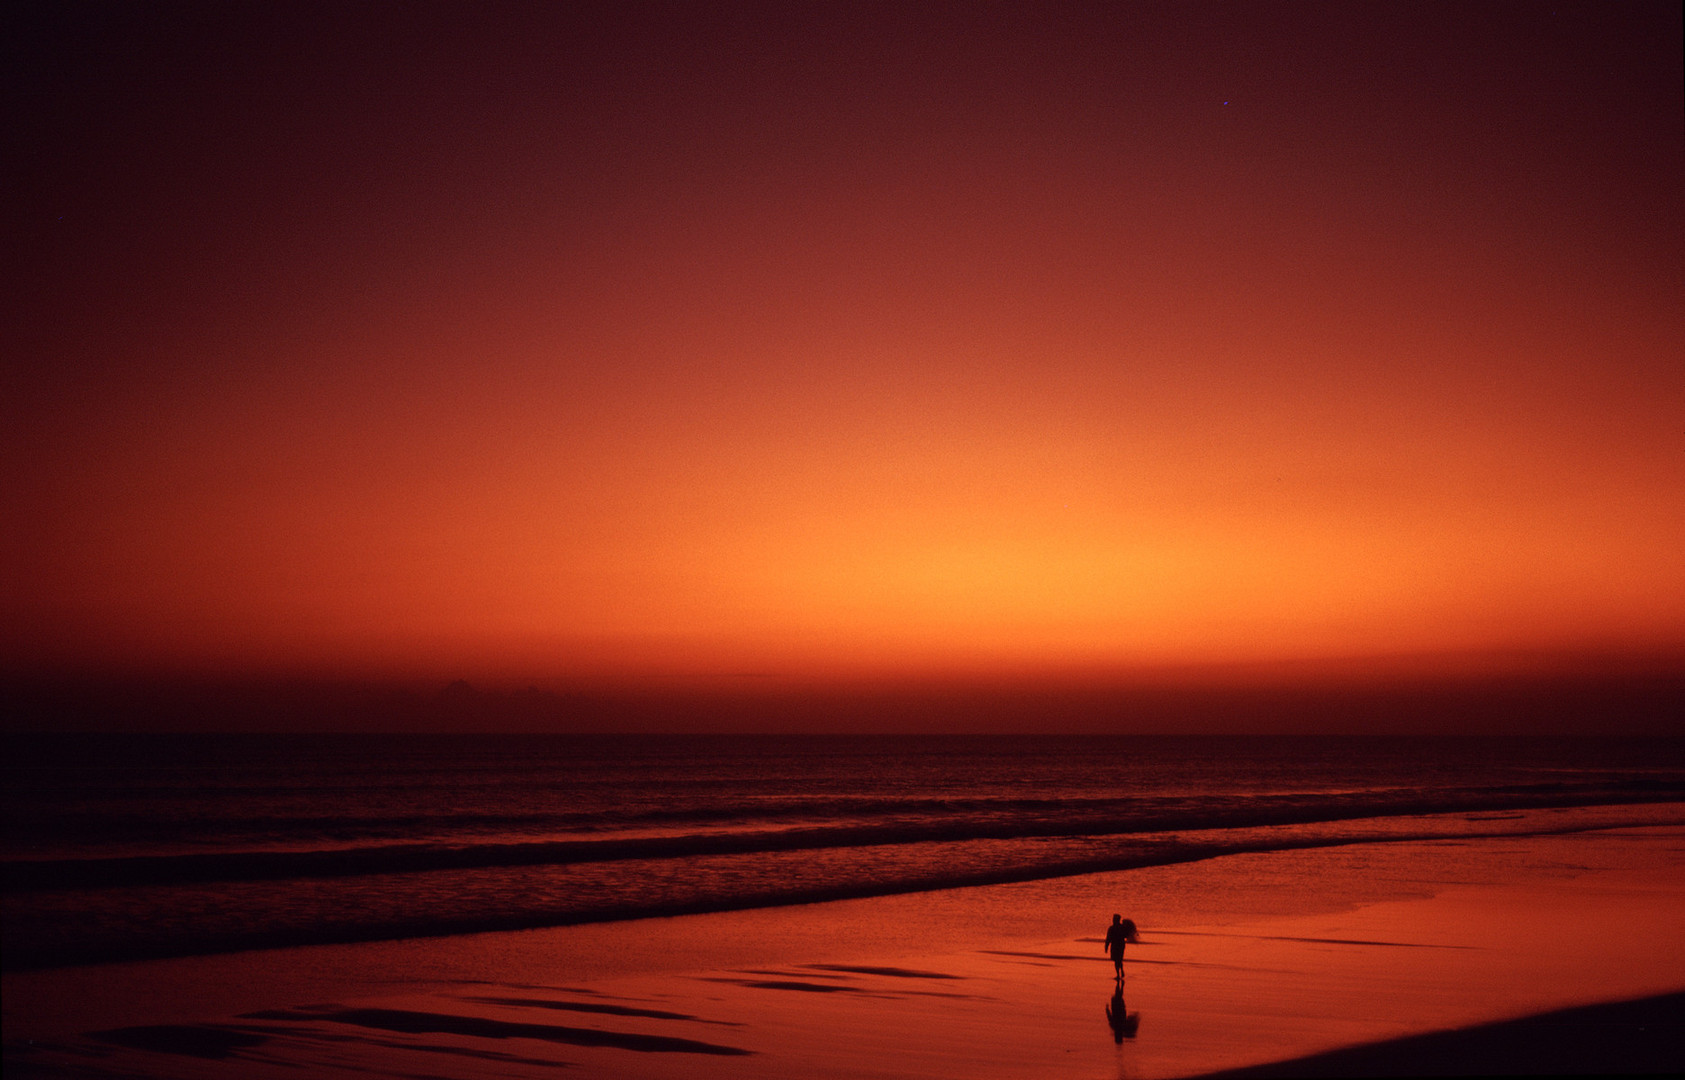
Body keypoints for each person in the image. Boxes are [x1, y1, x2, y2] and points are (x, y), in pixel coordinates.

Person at [1103, 914, 1137, 981]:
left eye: (1114, 919)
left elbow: (1108, 938)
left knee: (1116, 960)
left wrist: (1106, 947)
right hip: (1121, 945)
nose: (1113, 920)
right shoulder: (1122, 927)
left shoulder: (1111, 928)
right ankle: (1121, 970)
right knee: (1119, 959)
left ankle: (1118, 974)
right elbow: (1126, 936)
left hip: (1115, 945)